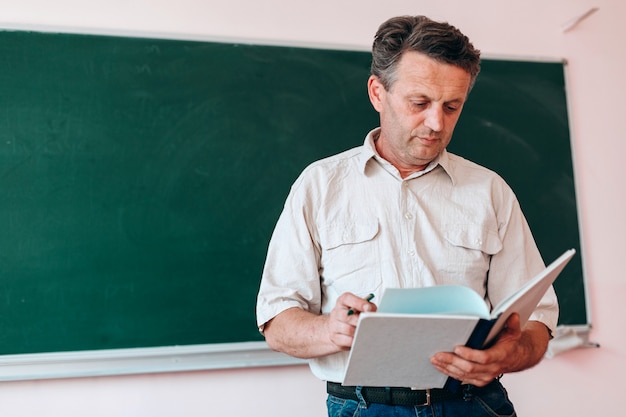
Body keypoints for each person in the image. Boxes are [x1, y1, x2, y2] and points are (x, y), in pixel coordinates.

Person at [256, 15, 558, 417]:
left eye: (452, 107)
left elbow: (537, 321)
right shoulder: (319, 186)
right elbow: (277, 320)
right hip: (365, 407)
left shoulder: (490, 191)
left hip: (475, 403)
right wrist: (329, 329)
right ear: (377, 93)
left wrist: (510, 354)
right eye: (420, 103)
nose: (436, 123)